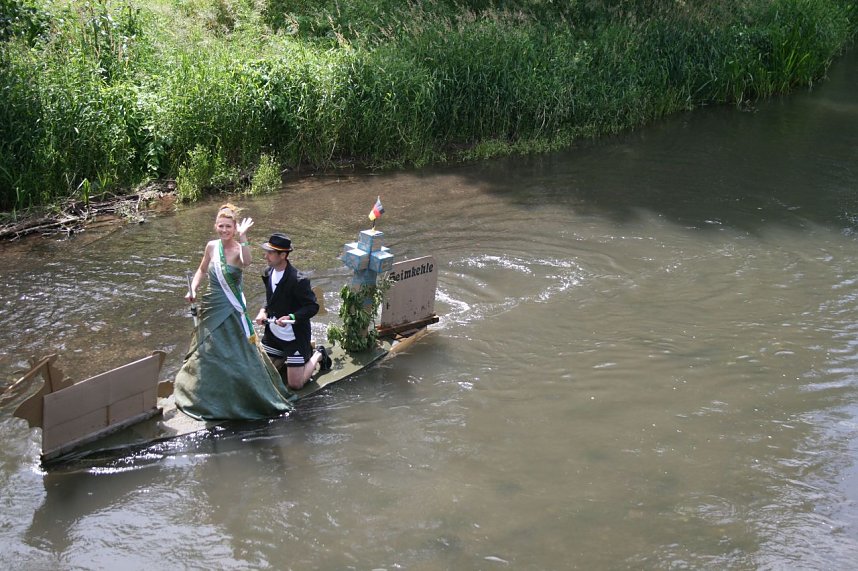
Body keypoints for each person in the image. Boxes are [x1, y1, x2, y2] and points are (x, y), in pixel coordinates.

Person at [174, 204, 294, 420]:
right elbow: (202, 270)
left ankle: (244, 394)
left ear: (234, 227)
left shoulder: (239, 249)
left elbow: (247, 262)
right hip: (211, 305)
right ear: (215, 226)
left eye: (228, 226)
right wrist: (192, 288)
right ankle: (204, 395)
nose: (224, 230)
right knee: (207, 351)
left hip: (232, 308)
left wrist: (244, 236)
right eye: (221, 226)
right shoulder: (211, 246)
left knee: (237, 353)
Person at [254, 233, 332, 390]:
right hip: (273, 335)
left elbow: (312, 307)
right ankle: (283, 357)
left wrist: (291, 317)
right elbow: (271, 299)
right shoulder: (268, 272)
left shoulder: (299, 280)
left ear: (283, 255)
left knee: (295, 385)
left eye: (270, 253)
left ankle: (318, 354)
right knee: (261, 376)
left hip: (294, 337)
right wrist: (263, 311)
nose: (266, 256)